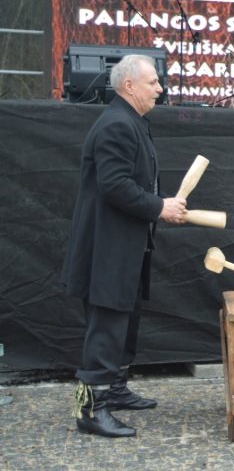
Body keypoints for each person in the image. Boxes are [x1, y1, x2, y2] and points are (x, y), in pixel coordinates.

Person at [61, 54, 187, 438]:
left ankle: (113, 390)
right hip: (107, 251)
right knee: (106, 327)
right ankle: (90, 410)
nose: (160, 89)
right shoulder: (117, 124)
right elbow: (114, 185)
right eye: (153, 83)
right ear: (129, 85)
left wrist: (160, 203)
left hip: (127, 248)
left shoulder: (132, 122)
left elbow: (134, 182)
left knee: (124, 322)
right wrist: (159, 207)